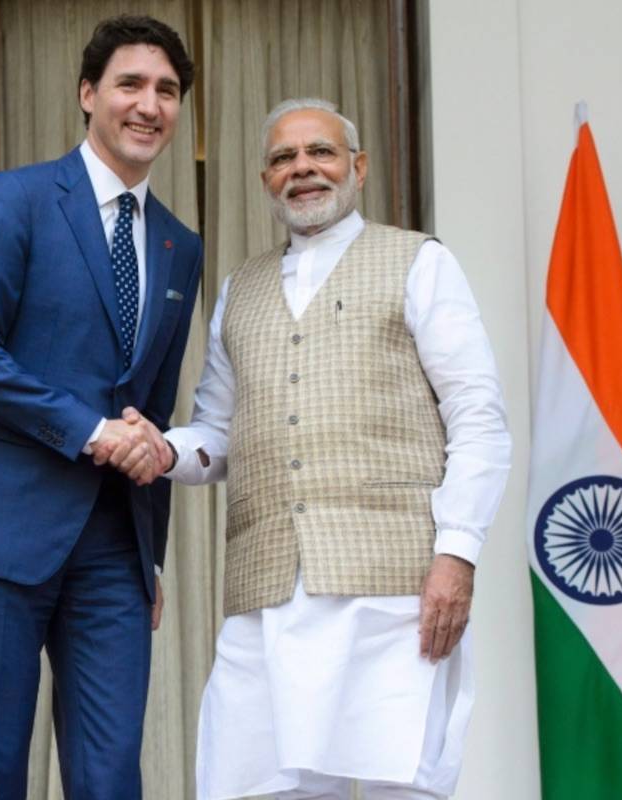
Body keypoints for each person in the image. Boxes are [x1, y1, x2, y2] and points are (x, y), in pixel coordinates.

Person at [147, 98, 512, 800]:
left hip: (394, 589)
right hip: (267, 594)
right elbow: (217, 433)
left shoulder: (419, 262)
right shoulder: (239, 290)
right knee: (250, 786)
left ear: (358, 167)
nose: (303, 169)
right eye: (284, 158)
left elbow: (478, 417)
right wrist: (159, 450)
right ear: (264, 180)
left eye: (321, 152)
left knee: (399, 786)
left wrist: (457, 554)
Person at [0, 15, 201, 799]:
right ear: (88, 94)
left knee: (111, 778)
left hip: (114, 548)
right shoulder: (19, 198)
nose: (149, 105)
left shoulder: (181, 244)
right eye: (130, 84)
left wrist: (150, 560)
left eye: (167, 91)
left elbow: (155, 408)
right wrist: (86, 429)